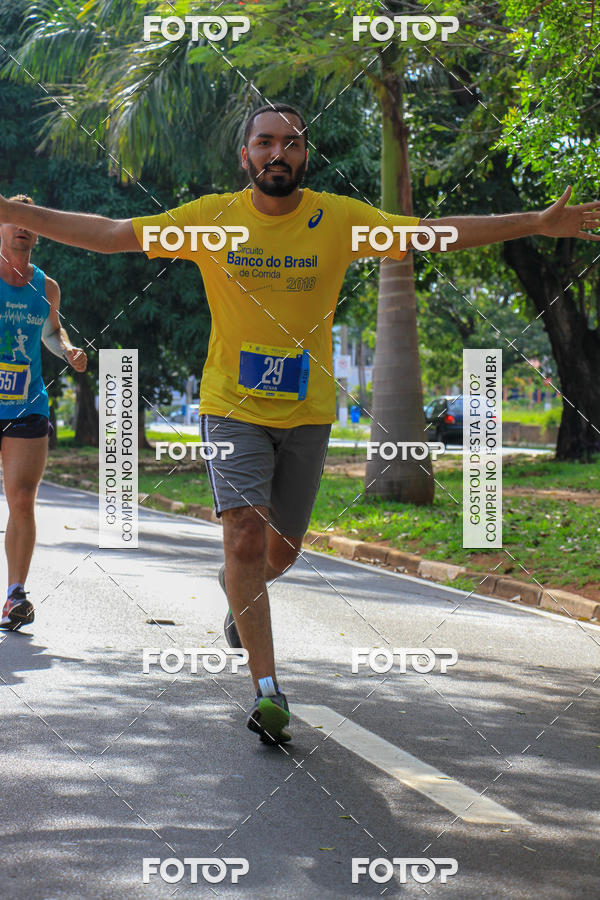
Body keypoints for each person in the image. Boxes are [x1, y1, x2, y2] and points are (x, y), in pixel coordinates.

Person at [0, 106, 598, 741]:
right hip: (231, 408)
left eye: (290, 143)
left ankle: (239, 591)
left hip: (308, 413)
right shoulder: (211, 220)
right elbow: (114, 232)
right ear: (246, 156)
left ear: (304, 157)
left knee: (280, 552)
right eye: (264, 142)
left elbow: (433, 232)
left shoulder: (339, 220)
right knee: (245, 540)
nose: (277, 152)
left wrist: (536, 222)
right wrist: (20, 213)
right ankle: (268, 690)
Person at [0, 195, 87, 631]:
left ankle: (15, 594)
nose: (22, 227)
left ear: (38, 233)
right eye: (12, 219)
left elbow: (51, 333)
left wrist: (67, 349)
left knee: (21, 498)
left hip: (26, 404)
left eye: (29, 222)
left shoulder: (46, 287)